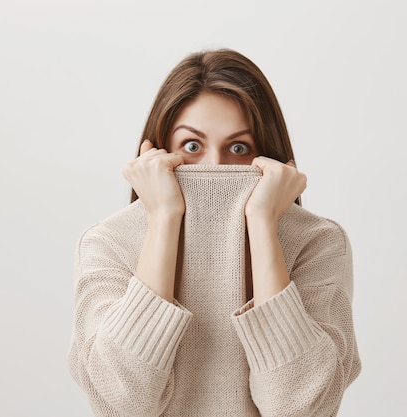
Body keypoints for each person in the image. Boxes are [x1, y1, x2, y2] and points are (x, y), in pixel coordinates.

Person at [68, 48, 361, 417]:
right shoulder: (108, 242)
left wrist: (261, 222)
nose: (215, 168)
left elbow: (297, 408)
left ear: (267, 154)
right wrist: (163, 217)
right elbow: (125, 404)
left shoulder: (316, 242)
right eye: (192, 146)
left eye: (239, 148)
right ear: (157, 152)